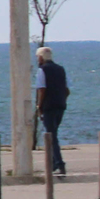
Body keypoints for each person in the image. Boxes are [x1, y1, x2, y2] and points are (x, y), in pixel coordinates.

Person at [34, 45, 69, 175]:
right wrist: (62, 99)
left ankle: (59, 163)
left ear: (41, 57)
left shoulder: (42, 70)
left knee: (51, 135)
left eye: (38, 57)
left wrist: (39, 106)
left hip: (49, 106)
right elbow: (67, 89)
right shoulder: (61, 69)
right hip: (60, 105)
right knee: (53, 133)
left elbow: (42, 89)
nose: (38, 59)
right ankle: (54, 163)